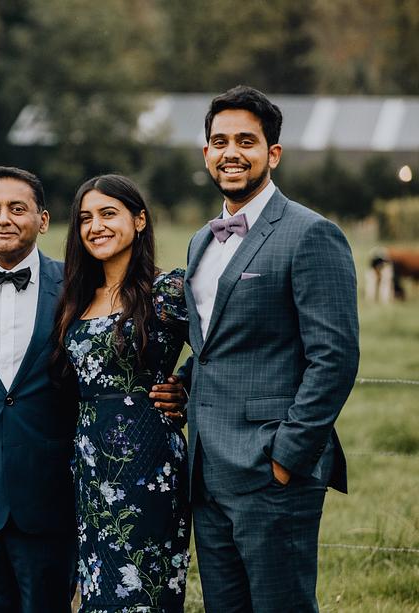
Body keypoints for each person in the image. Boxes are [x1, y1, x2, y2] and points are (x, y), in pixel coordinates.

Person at [0, 166, 187, 612]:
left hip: (52, 497)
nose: (3, 218)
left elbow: (216, 343)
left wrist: (183, 384)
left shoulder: (78, 288)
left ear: (43, 220)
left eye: (17, 208)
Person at [181, 85, 359, 612]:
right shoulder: (200, 241)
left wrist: (286, 457)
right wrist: (181, 385)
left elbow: (334, 358)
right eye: (220, 142)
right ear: (206, 153)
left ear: (272, 153)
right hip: (207, 472)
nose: (231, 153)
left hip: (271, 471)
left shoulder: (311, 234)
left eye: (246, 141)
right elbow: (217, 344)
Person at [53, 174, 191, 611]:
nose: (96, 226)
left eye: (108, 214)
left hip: (150, 461)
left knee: (144, 591)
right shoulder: (77, 298)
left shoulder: (169, 290)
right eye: (85, 218)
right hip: (91, 463)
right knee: (98, 591)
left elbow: (223, 350)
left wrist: (185, 385)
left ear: (140, 220)